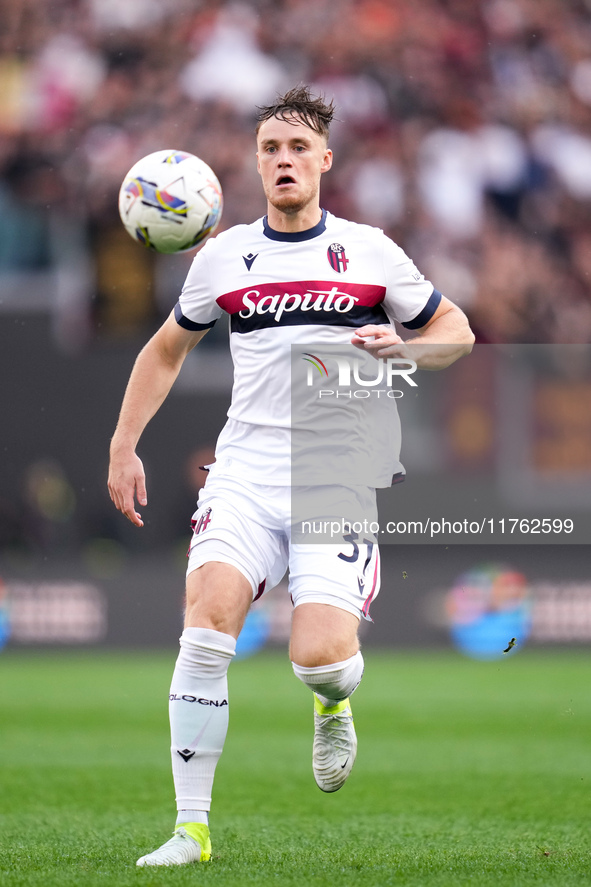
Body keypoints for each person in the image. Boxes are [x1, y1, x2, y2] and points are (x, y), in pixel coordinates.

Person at [107, 85, 474, 867]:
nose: (283, 159)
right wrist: (123, 443)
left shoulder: (371, 251)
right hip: (242, 468)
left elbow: (455, 331)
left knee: (319, 655)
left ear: (324, 162)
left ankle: (331, 700)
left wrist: (407, 349)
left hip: (333, 476)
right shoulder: (224, 254)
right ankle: (190, 828)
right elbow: (165, 349)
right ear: (255, 163)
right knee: (205, 623)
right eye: (271, 148)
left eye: (297, 148)